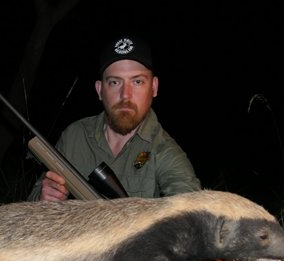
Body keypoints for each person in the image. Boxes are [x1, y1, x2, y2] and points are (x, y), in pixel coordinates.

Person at [28, 35, 201, 201]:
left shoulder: (164, 150)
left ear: (154, 87)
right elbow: (31, 203)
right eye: (114, 82)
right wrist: (44, 198)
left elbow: (190, 207)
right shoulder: (74, 136)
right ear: (99, 90)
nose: (125, 95)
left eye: (137, 81)